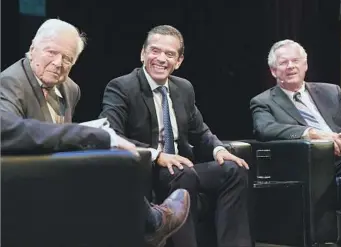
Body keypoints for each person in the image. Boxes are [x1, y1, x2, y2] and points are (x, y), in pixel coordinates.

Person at [99, 25, 251, 247]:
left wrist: (219, 150)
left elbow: (201, 131)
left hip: (182, 167)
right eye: (155, 51)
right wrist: (157, 155)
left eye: (169, 54)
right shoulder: (122, 87)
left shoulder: (184, 88)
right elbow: (110, 132)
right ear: (143, 53)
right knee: (183, 173)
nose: (161, 59)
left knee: (234, 170)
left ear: (178, 61)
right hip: (146, 171)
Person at [1, 111, 190, 247]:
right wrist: (103, 137)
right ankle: (152, 224)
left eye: (67, 59)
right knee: (102, 161)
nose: (58, 63)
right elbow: (17, 131)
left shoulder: (69, 88)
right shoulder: (12, 82)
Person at [250, 39, 341, 210]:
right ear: (274, 71)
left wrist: (338, 139)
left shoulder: (331, 91)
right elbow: (265, 129)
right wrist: (311, 133)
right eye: (283, 63)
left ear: (305, 65)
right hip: (312, 160)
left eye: (295, 61)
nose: (290, 66)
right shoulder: (263, 101)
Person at [1, 18, 84, 123]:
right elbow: (12, 133)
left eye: (66, 58)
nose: (58, 63)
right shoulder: (9, 84)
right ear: (32, 50)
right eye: (51, 52)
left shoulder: (72, 89)